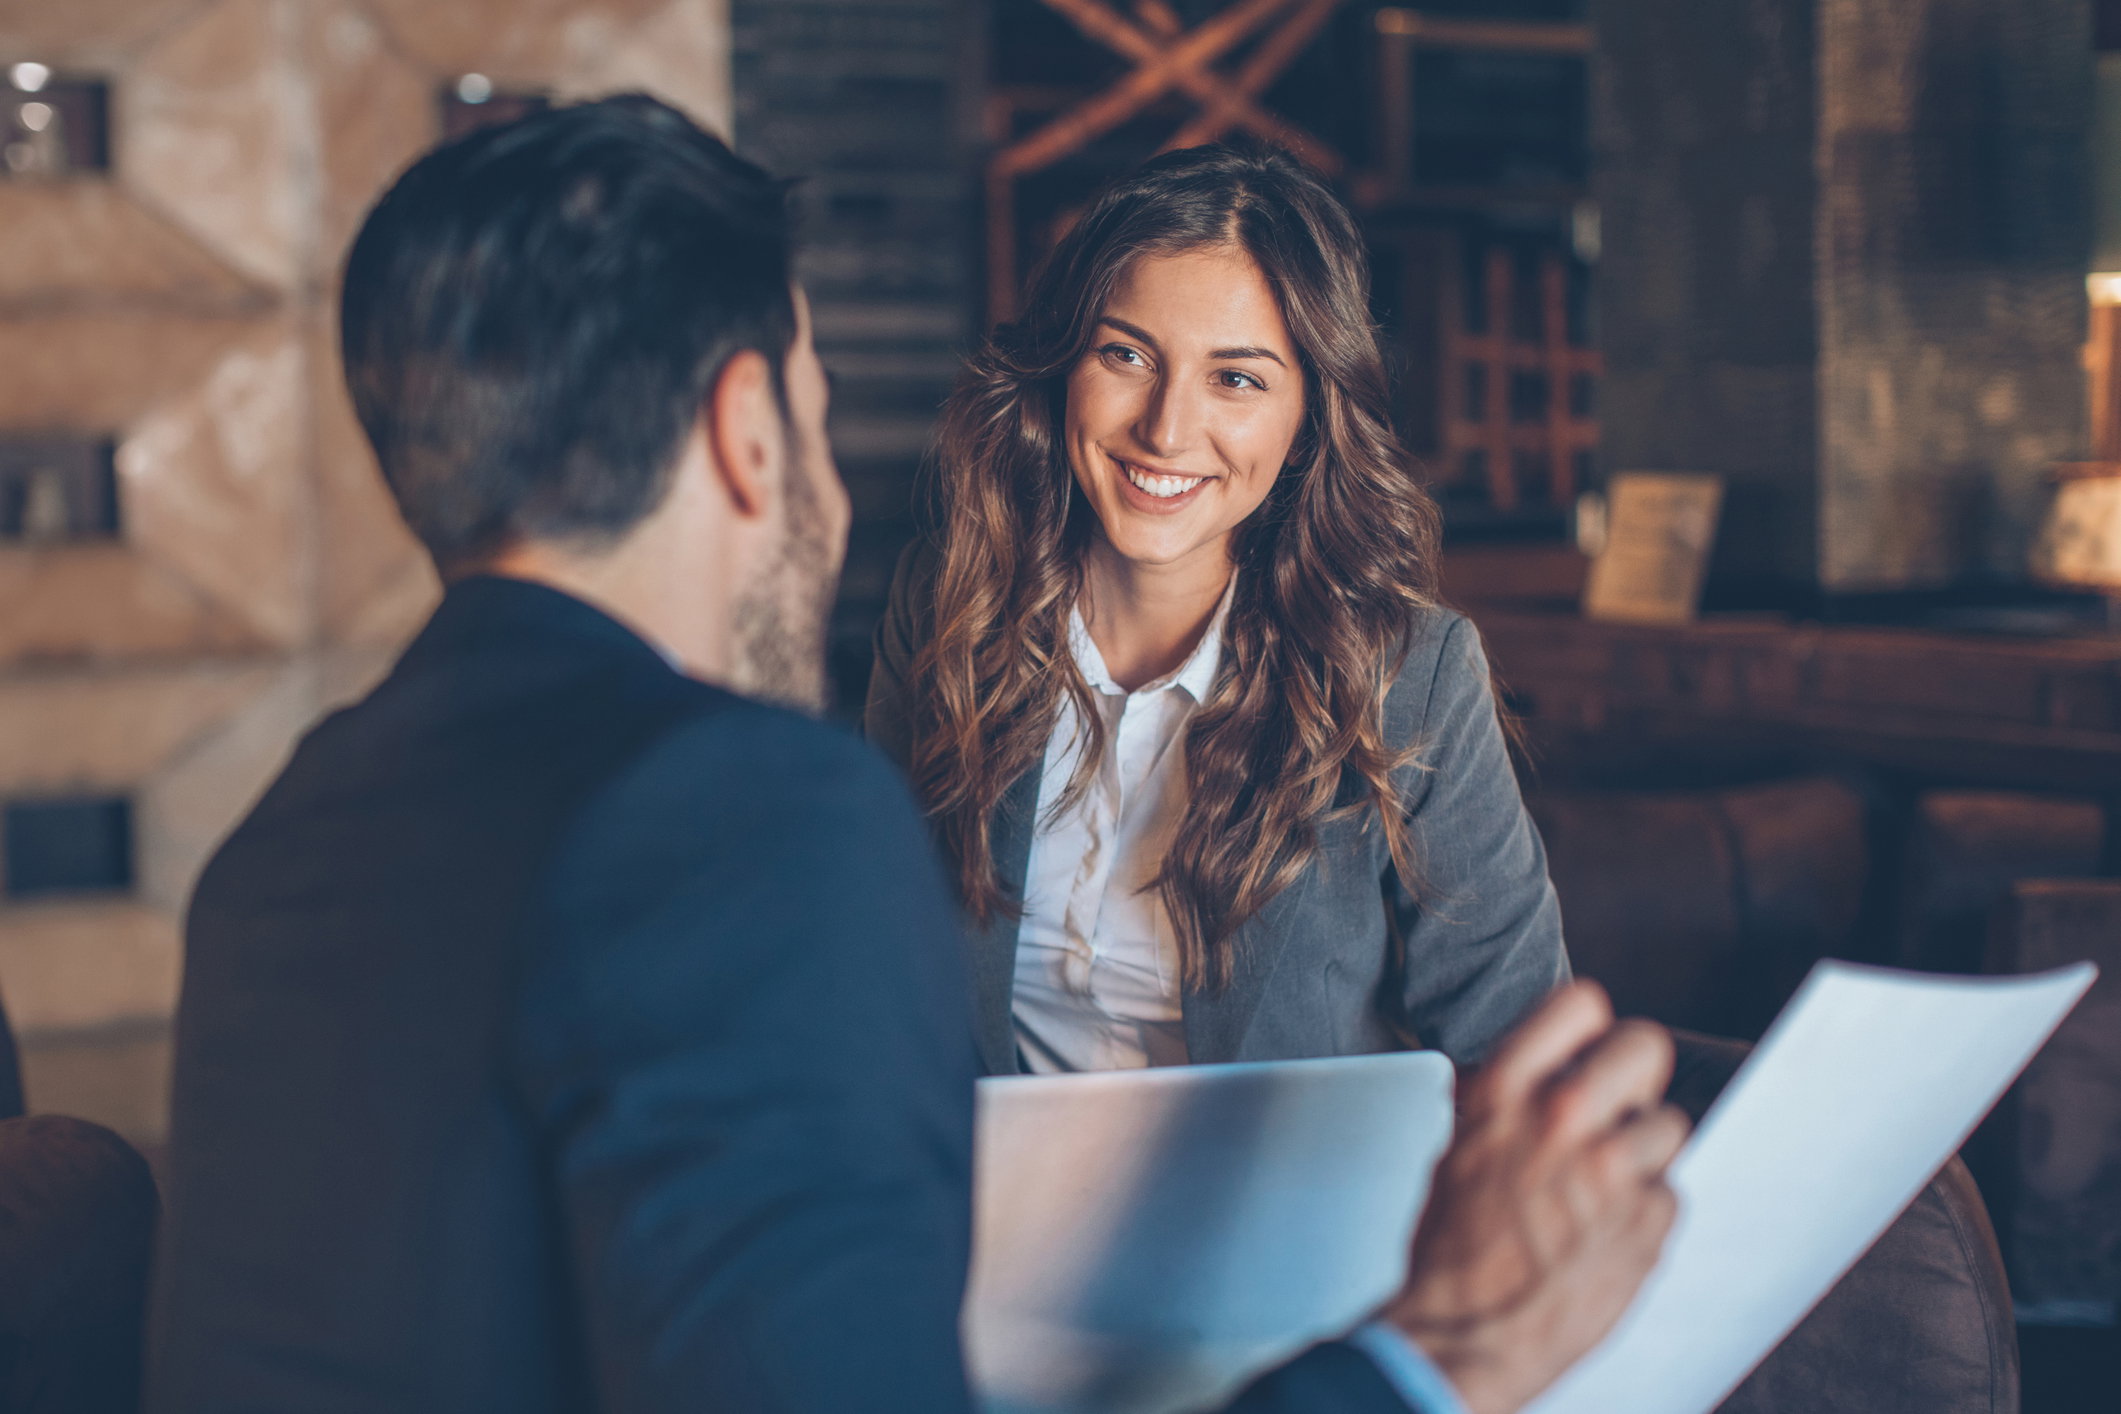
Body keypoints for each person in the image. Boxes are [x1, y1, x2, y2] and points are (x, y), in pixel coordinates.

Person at [147, 96, 1686, 1414]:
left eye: (1239, 375)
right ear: (749, 430)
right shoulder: (751, 797)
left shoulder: (275, 838)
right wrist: (1434, 1363)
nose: (1168, 419)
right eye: (812, 408)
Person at [865, 143, 1565, 1079]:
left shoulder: (1409, 673)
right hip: (990, 1212)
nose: (1162, 428)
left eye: (1235, 379)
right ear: (1061, 365)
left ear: (1309, 416)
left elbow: (1518, 1052)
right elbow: (867, 965)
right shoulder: (947, 604)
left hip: (1288, 1221)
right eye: (1125, 355)